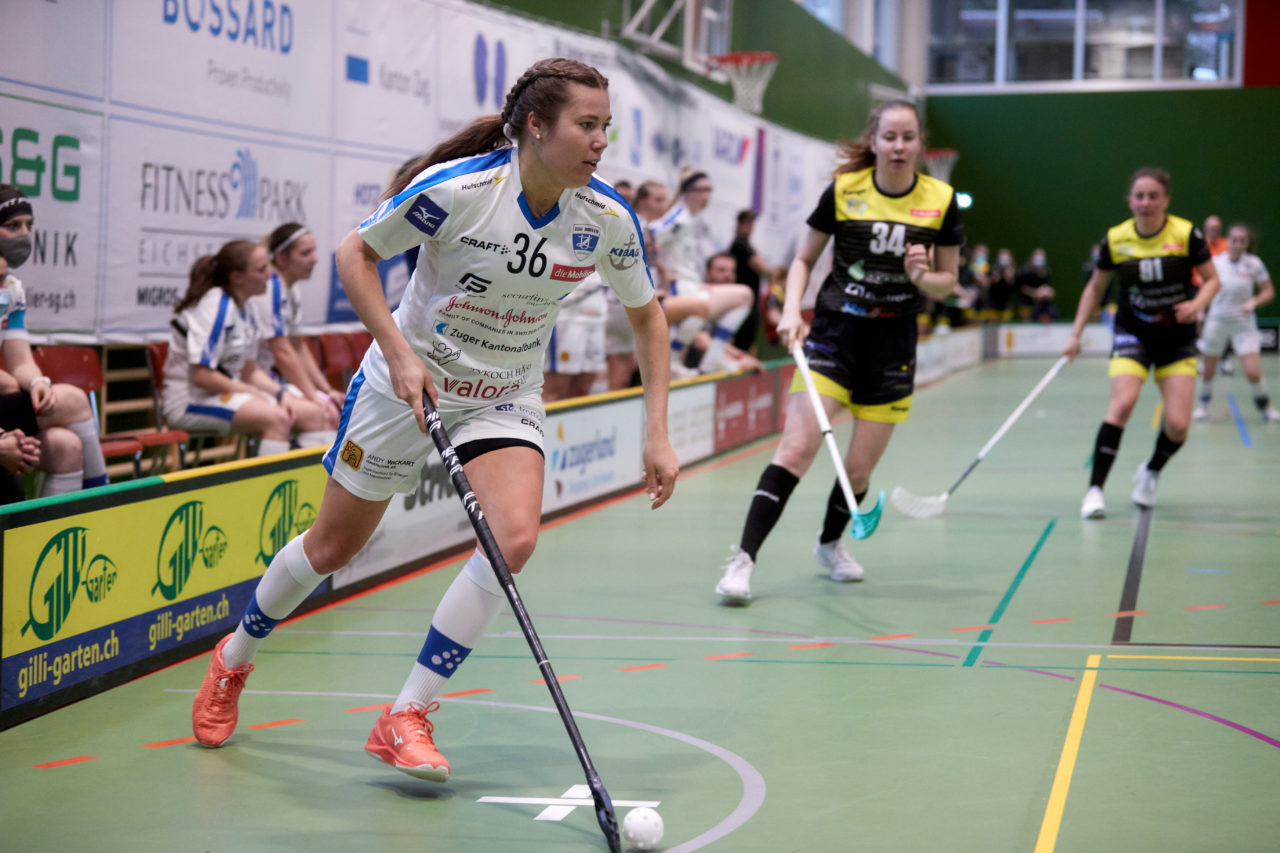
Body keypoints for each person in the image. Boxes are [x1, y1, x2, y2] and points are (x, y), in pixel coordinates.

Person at [190, 58, 679, 782]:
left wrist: (656, 431)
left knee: (513, 539)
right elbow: (356, 253)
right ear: (536, 127)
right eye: (586, 124)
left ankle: (406, 712)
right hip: (405, 384)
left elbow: (648, 318)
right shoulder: (460, 190)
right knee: (331, 547)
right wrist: (398, 352)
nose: (600, 140)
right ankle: (233, 658)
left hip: (504, 392)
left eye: (606, 126)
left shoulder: (605, 219)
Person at [714, 98, 963, 603]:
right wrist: (790, 310)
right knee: (796, 449)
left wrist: (921, 276)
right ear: (873, 141)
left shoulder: (941, 200)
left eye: (908, 137)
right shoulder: (846, 191)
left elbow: (948, 282)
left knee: (858, 471)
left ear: (920, 143)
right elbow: (803, 260)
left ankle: (830, 544)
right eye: (889, 137)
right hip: (834, 337)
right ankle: (743, 560)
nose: (898, 146)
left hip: (893, 347)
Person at [1063, 168, 1219, 519]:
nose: (1146, 202)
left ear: (1166, 200)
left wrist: (1196, 305)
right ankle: (1095, 491)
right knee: (1122, 404)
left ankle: (1150, 471)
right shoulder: (1116, 239)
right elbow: (1096, 288)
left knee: (1178, 425)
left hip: (1177, 337)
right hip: (1133, 332)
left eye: (1153, 196)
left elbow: (1212, 280)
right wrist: (1075, 335)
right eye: (1139, 196)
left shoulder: (1186, 234)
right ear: (1129, 201)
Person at [162, 240, 332, 457]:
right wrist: (251, 392)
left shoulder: (247, 307)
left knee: (315, 414)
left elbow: (249, 371)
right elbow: (203, 377)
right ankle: (272, 481)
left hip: (224, 392)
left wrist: (280, 393)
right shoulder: (216, 305)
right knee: (277, 418)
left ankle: (318, 478)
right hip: (189, 401)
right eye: (261, 269)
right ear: (237, 278)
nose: (270, 274)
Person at [0, 185, 110, 496]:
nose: (24, 235)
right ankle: (105, 501)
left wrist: (36, 383)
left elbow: (21, 361)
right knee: (74, 400)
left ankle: (73, 523)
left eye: (28, 226)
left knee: (67, 446)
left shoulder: (12, 289)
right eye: (12, 226)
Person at [245, 223, 341, 448]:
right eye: (306, 253)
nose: (315, 259)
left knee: (330, 410)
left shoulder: (292, 289)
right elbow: (283, 353)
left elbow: (298, 348)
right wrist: (313, 396)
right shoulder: (270, 288)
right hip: (251, 379)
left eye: (314, 251)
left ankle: (317, 472)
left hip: (269, 379)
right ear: (281, 258)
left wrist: (325, 390)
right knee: (319, 413)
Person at [651, 168, 755, 374]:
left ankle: (677, 358)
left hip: (690, 285)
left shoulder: (689, 218)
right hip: (679, 289)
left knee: (726, 304)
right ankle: (710, 357)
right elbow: (648, 236)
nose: (706, 196)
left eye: (709, 190)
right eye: (701, 190)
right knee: (744, 295)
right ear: (688, 191)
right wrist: (657, 277)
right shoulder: (679, 216)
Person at [1194, 223, 1278, 422]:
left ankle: (1265, 408)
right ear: (1228, 240)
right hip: (1217, 320)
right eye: (1234, 240)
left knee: (1253, 372)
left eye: (1242, 241)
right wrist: (1200, 309)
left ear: (1247, 243)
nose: (1238, 244)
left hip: (1243, 323)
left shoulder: (1254, 263)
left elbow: (1268, 291)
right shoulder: (1216, 262)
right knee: (1208, 370)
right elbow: (1205, 289)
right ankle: (1203, 406)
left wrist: (1253, 302)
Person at [728, 209, 770, 352]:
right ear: (740, 224)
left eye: (752, 223)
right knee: (741, 344)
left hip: (750, 301)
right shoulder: (740, 244)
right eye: (748, 222)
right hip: (744, 302)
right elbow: (762, 267)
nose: (751, 226)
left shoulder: (745, 244)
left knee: (746, 343)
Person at [1016, 248, 1059, 322]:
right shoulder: (1025, 271)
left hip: (1040, 307)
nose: (1040, 258)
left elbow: (1047, 288)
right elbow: (1022, 288)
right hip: (1027, 305)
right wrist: (1035, 293)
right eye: (1038, 255)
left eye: (1042, 255)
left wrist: (1048, 292)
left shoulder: (1046, 271)